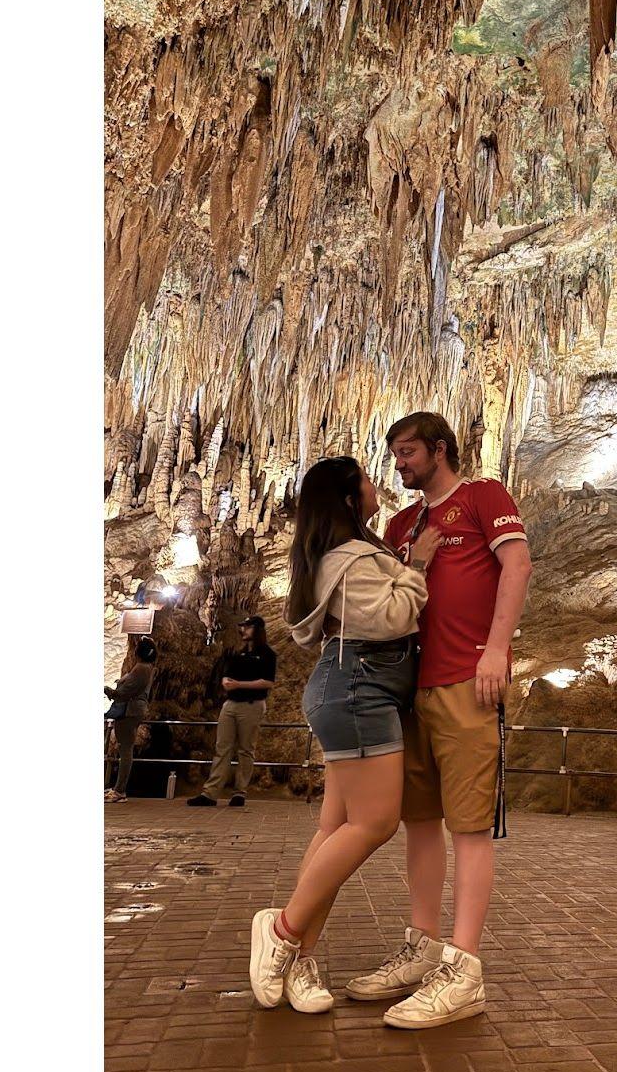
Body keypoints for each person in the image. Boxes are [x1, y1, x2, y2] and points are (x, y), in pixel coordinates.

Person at [346, 411, 532, 1029]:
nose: (398, 463)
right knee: (419, 821)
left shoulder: (482, 497)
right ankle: (422, 948)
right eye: (394, 453)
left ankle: (464, 968)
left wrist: (497, 648)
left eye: (408, 452)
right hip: (407, 690)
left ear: (440, 450)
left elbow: (517, 566)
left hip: (465, 681)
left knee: (469, 826)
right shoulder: (401, 525)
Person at [248, 455, 442, 1014]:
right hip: (360, 689)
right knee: (375, 823)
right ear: (348, 496)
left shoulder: (344, 554)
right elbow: (390, 619)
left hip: (351, 687)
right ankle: (282, 931)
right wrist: (419, 566)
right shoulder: (351, 557)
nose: (377, 483)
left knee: (335, 827)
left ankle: (301, 955)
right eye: (365, 478)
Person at [188, 616, 277, 808]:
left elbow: (268, 682)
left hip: (252, 704)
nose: (243, 630)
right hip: (231, 704)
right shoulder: (239, 654)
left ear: (257, 629)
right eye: (242, 627)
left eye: (247, 627)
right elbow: (227, 674)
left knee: (246, 749)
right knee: (222, 748)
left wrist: (239, 684)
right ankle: (210, 793)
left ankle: (240, 793)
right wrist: (226, 681)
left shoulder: (268, 655)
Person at [104, 637, 158, 803]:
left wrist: (110, 691)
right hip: (134, 711)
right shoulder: (147, 668)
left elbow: (127, 690)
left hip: (129, 711)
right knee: (125, 749)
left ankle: (120, 790)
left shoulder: (141, 668)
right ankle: (118, 788)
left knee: (125, 750)